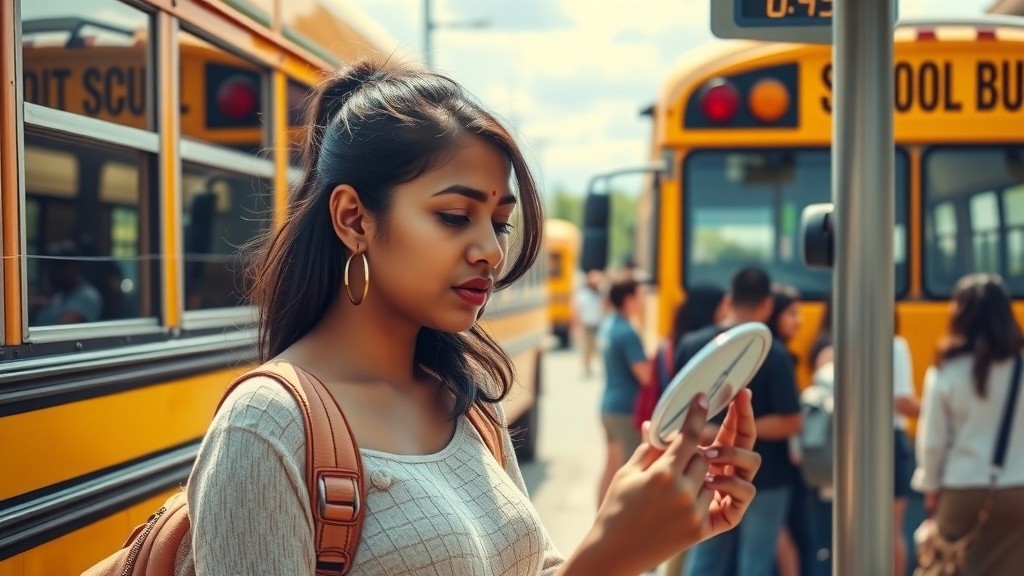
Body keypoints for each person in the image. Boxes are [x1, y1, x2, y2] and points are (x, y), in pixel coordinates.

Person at [183, 59, 762, 575]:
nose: (490, 249)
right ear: (354, 219)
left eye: (500, 223)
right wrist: (609, 558)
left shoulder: (466, 403)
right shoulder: (267, 427)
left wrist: (643, 524)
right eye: (456, 216)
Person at [681, 267, 803, 576]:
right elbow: (792, 422)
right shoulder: (773, 354)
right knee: (755, 563)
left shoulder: (693, 345)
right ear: (767, 306)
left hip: (703, 471)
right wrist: (740, 430)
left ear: (728, 300)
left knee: (704, 559)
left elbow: (675, 413)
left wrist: (715, 431)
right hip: (767, 476)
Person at [912, 273, 1024, 574]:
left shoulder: (946, 370)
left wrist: (931, 488)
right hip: (1018, 489)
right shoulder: (1020, 365)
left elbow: (932, 441)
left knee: (950, 566)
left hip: (962, 487)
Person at [809, 299, 917, 576]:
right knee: (891, 531)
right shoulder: (894, 344)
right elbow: (902, 401)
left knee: (846, 527)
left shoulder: (827, 348)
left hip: (845, 442)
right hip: (889, 440)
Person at [766, 284, 811, 576]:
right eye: (791, 313)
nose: (799, 320)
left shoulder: (773, 352)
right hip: (778, 466)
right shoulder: (778, 356)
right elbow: (792, 419)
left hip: (777, 464)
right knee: (785, 540)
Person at [597, 277, 649, 506]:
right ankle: (620, 522)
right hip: (626, 409)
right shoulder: (628, 332)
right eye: (641, 296)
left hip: (608, 406)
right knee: (630, 469)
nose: (644, 301)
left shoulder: (610, 326)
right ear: (629, 299)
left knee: (611, 466)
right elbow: (645, 376)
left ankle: (601, 518)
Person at [32, 240, 103, 325]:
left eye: (55, 269)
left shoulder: (87, 296)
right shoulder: (61, 294)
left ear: (72, 269)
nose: (51, 275)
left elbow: (63, 327)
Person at [574, 269, 605, 378]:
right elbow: (577, 311)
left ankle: (602, 369)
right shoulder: (583, 295)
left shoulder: (600, 294)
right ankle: (586, 368)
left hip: (598, 324)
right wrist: (577, 326)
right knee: (587, 348)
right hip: (587, 325)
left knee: (599, 348)